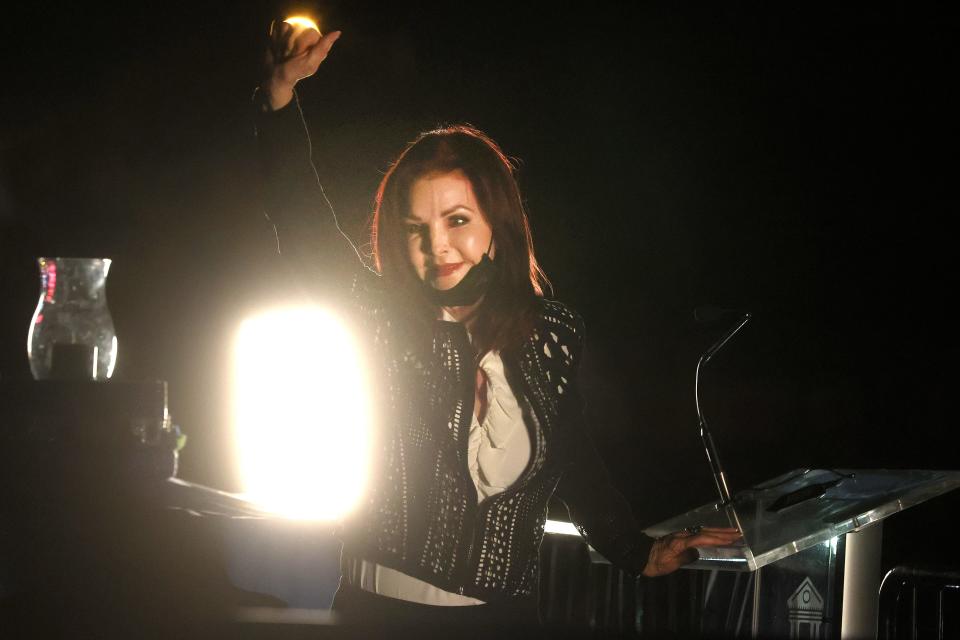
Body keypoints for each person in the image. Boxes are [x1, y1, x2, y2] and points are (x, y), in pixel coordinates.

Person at [254, 21, 741, 630]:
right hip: (379, 619)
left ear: (494, 226)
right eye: (415, 227)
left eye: (457, 220)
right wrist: (279, 99)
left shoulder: (553, 334)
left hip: (503, 623)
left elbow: (573, 456)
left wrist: (636, 552)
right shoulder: (377, 318)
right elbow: (300, 217)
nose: (437, 244)